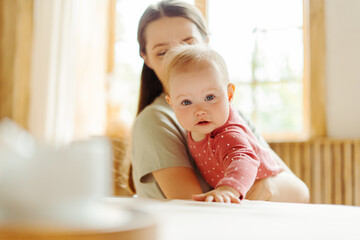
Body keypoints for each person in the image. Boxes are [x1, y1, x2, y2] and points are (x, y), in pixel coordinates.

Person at [131, 0, 309, 202]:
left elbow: (300, 192)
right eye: (162, 52)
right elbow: (194, 207)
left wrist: (263, 186)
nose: (177, 57)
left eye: (188, 44)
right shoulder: (155, 121)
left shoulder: (225, 113)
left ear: (206, 43)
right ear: (146, 58)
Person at [162, 44, 283, 203]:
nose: (199, 110)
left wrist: (228, 188)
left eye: (210, 97)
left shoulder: (227, 133)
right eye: (186, 102)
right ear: (172, 104)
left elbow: (244, 158)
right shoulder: (193, 127)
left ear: (229, 94)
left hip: (273, 192)